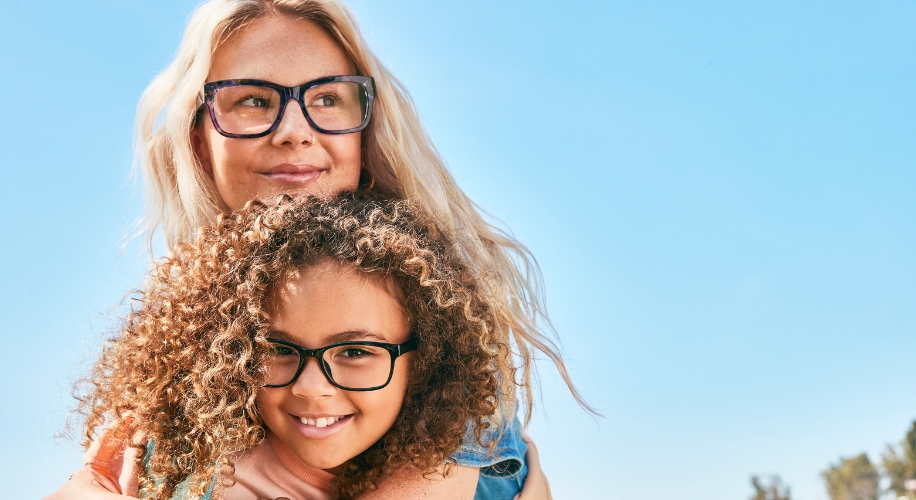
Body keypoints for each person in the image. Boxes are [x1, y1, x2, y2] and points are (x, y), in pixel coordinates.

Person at [74, 0, 590, 497]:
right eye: (254, 99)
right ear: (199, 137)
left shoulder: (437, 316)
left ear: (366, 130)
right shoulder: (178, 338)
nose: (295, 132)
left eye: (327, 98)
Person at [45, 194, 541, 500]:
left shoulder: (484, 469)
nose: (311, 388)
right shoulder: (176, 458)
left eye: (354, 353)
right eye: (277, 349)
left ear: (425, 361)